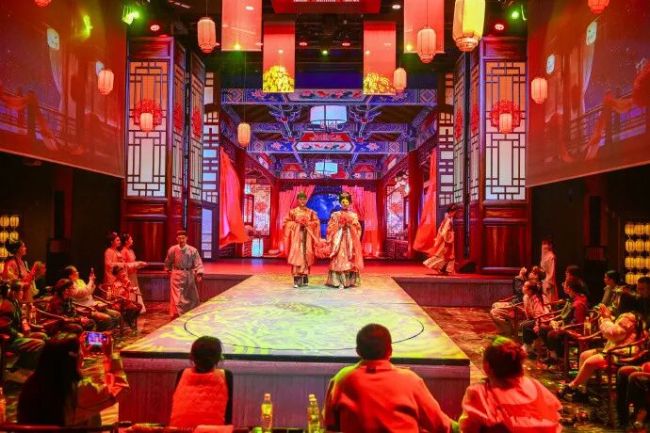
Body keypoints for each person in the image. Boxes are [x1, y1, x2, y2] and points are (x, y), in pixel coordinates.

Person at [324, 324, 455, 433]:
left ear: (358, 351)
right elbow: (440, 425)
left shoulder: (342, 379)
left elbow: (329, 425)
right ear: (390, 350)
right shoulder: (410, 381)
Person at [17, 336, 129, 426]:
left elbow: (64, 370)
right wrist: (110, 356)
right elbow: (120, 389)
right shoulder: (80, 391)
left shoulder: (31, 384)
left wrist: (77, 360)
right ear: (74, 358)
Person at [458, 337, 562, 433]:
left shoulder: (481, 393)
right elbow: (555, 421)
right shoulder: (537, 386)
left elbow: (467, 428)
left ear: (487, 366)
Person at [558, 292, 639, 401]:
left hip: (620, 353)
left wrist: (606, 319)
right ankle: (582, 390)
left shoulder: (629, 318)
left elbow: (613, 334)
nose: (616, 302)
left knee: (589, 362)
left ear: (625, 302)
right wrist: (605, 318)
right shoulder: (624, 316)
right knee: (584, 355)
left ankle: (572, 386)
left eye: (618, 299)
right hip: (613, 349)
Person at [169, 336, 233, 427]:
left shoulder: (182, 373)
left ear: (192, 357)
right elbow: (228, 415)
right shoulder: (226, 375)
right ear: (218, 358)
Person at [539, 279, 589, 364]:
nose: (564, 288)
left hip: (573, 330)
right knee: (543, 329)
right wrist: (558, 323)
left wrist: (562, 327)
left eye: (566, 286)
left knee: (552, 334)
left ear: (570, 288)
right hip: (566, 326)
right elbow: (566, 316)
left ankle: (560, 359)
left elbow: (578, 322)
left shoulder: (579, 302)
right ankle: (554, 356)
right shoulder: (572, 299)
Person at [0, 280, 47, 369]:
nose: (22, 293)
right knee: (40, 344)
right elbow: (4, 327)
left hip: (19, 334)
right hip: (11, 340)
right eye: (21, 290)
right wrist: (17, 334)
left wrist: (24, 323)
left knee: (43, 336)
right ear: (13, 292)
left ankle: (35, 365)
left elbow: (22, 315)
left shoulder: (15, 301)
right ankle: (24, 367)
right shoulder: (7, 306)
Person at [325, 192, 364, 289]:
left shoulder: (353, 215)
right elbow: (330, 228)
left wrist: (350, 226)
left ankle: (348, 282)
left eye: (347, 202)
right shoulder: (335, 214)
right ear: (340, 203)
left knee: (349, 258)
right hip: (339, 240)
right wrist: (340, 226)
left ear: (350, 203)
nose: (345, 204)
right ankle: (338, 282)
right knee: (339, 258)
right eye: (343, 202)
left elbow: (358, 228)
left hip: (350, 240)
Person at [282, 192, 320, 288]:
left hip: (307, 237)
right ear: (297, 200)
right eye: (300, 199)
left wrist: (308, 224)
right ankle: (296, 279)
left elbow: (316, 222)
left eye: (304, 199)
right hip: (297, 238)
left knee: (306, 255)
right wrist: (297, 224)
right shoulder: (293, 212)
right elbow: (286, 223)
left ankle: (305, 278)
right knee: (297, 256)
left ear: (306, 200)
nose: (302, 201)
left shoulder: (310, 212)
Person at [65, 266, 120, 331]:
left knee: (116, 314)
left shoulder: (80, 281)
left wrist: (92, 282)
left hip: (92, 305)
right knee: (108, 318)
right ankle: (103, 333)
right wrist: (90, 281)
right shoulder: (70, 285)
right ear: (70, 276)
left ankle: (113, 332)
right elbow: (82, 293)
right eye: (75, 272)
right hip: (85, 308)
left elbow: (89, 292)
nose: (78, 272)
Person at [164, 230, 204, 317]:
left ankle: (191, 313)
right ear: (176, 239)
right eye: (179, 238)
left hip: (188, 274)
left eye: (183, 238)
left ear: (186, 238)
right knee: (177, 296)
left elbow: (198, 262)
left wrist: (199, 274)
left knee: (191, 295)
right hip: (176, 274)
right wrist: (167, 269)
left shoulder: (192, 250)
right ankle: (177, 314)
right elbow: (168, 261)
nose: (181, 240)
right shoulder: (173, 249)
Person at [423, 204, 460, 275]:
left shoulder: (446, 219)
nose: (455, 214)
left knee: (445, 255)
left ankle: (446, 269)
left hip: (445, 240)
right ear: (451, 212)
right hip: (446, 241)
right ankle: (445, 269)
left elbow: (441, 230)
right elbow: (444, 232)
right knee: (445, 255)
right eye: (454, 212)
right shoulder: (448, 220)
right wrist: (450, 238)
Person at [107, 266, 142, 331]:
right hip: (119, 302)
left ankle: (128, 320)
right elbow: (119, 295)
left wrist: (132, 289)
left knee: (138, 306)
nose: (123, 273)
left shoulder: (123, 281)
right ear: (116, 275)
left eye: (123, 272)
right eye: (120, 272)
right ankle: (128, 321)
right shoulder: (116, 284)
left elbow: (127, 290)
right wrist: (127, 284)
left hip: (126, 301)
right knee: (135, 307)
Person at [119, 233, 147, 313]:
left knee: (135, 291)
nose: (132, 240)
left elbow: (133, 262)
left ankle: (137, 308)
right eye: (130, 239)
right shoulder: (123, 251)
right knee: (130, 292)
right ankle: (131, 309)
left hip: (133, 274)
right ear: (126, 241)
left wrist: (139, 265)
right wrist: (137, 264)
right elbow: (124, 265)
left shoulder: (130, 250)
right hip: (128, 275)